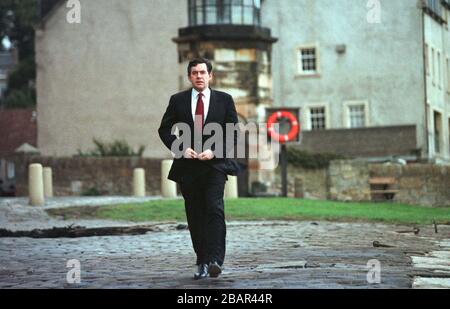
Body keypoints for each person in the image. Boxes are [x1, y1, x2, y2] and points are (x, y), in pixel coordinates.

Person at [158, 58, 242, 279]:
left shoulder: (224, 100)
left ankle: (215, 260)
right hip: (188, 167)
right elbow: (164, 129)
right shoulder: (178, 101)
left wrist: (215, 151)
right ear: (189, 76)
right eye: (194, 72)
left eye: (203, 72)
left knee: (214, 209)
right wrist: (180, 148)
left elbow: (233, 132)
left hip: (215, 165)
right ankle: (202, 261)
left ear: (210, 76)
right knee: (195, 215)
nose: (199, 76)